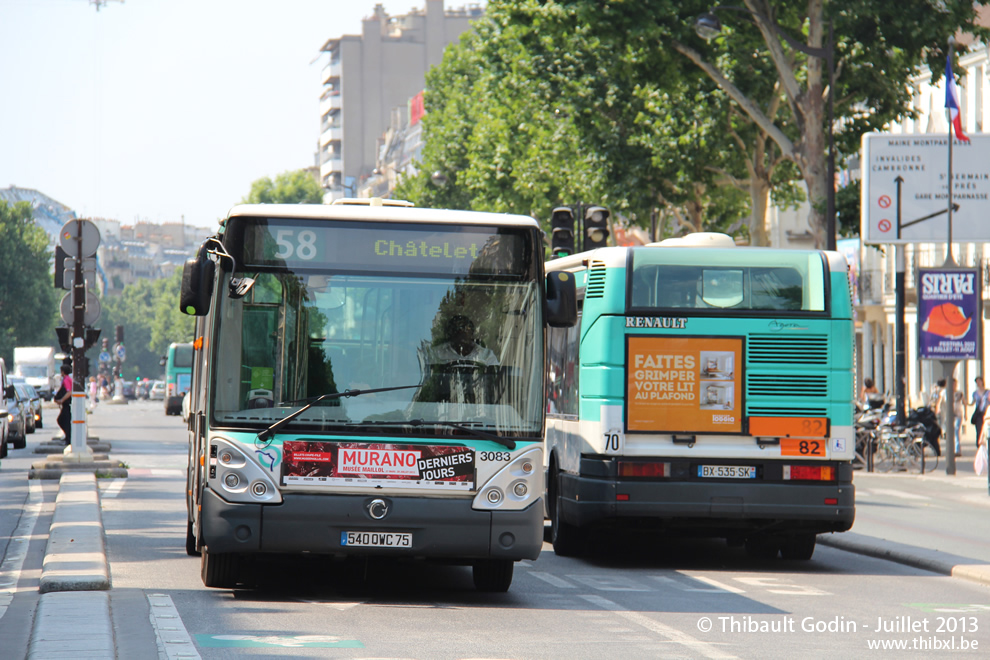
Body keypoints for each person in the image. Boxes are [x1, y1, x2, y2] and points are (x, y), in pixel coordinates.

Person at [428, 314, 498, 367]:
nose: (463, 335)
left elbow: (497, 375)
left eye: (467, 330)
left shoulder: (486, 355)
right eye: (459, 331)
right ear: (452, 335)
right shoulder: (437, 355)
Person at [53, 364, 73, 444]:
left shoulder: (66, 380)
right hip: (65, 404)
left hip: (66, 404)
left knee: (62, 421)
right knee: (63, 421)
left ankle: (68, 438)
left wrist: (62, 400)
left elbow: (69, 392)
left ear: (63, 371)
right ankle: (67, 437)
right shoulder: (66, 379)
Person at [972, 377, 988, 450]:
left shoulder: (988, 392)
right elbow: (973, 403)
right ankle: (979, 445)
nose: (978, 383)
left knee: (986, 429)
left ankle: (986, 443)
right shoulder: (975, 393)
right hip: (978, 413)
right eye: (976, 382)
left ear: (982, 382)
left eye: (979, 381)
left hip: (986, 413)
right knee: (979, 429)